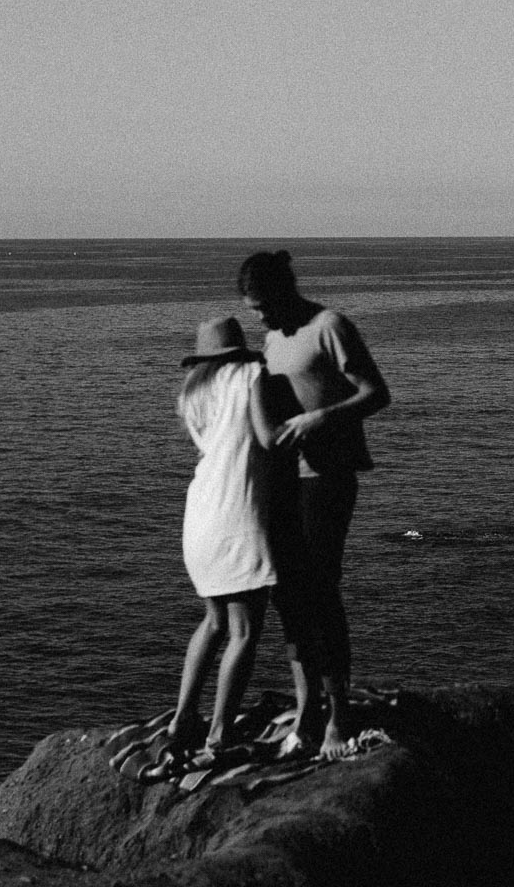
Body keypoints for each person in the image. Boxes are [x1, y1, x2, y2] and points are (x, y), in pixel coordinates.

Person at [238, 249, 391, 760]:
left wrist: (319, 419)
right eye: (251, 307)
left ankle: (338, 716)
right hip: (283, 480)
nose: (257, 316)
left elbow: (377, 393)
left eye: (260, 304)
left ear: (282, 291)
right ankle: (306, 712)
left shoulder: (330, 326)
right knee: (289, 598)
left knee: (321, 594)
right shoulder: (272, 339)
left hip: (327, 478)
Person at [150, 314, 295, 778]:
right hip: (238, 509)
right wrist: (312, 421)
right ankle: (218, 734)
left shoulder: (191, 393)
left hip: (201, 512)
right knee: (245, 631)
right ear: (239, 351)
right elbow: (268, 439)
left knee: (213, 621)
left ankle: (182, 719)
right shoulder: (251, 375)